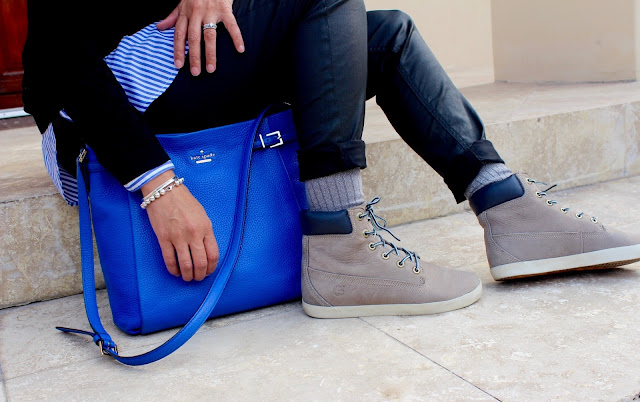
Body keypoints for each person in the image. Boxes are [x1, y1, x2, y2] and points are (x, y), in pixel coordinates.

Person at [23, 0, 640, 319]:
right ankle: (338, 242)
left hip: (191, 64)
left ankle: (507, 207)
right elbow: (56, 56)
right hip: (110, 99)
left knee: (385, 35)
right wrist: (156, 181)